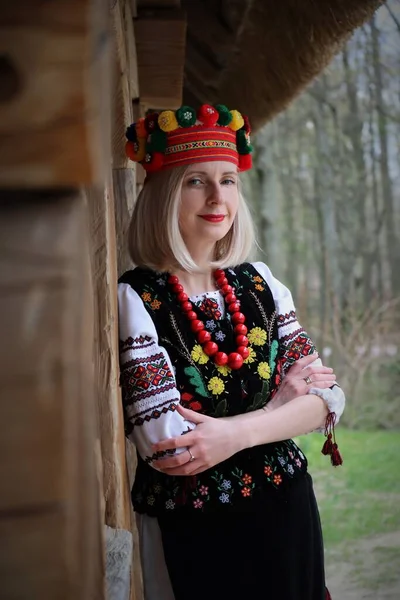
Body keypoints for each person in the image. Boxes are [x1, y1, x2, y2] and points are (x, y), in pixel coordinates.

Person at [118, 104, 345, 600]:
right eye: (196, 180)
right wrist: (279, 409)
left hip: (288, 510)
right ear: (163, 194)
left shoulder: (262, 283)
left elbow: (329, 400)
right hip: (197, 526)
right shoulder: (138, 298)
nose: (218, 196)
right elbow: (171, 448)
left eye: (229, 180)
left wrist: (233, 432)